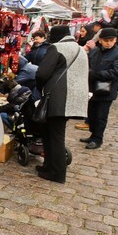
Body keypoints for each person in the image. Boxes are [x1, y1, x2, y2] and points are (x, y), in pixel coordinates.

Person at [34, 25, 88, 183]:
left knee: (55, 135)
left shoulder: (57, 48)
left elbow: (42, 73)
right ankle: (48, 166)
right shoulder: (80, 49)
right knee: (51, 132)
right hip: (75, 97)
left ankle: (57, 173)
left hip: (59, 97)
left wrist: (40, 88)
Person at [82, 27, 118, 149]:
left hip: (106, 88)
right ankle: (93, 134)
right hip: (91, 88)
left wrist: (96, 74)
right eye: (106, 40)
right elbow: (88, 65)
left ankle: (98, 139)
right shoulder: (95, 51)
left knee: (101, 116)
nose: (108, 43)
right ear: (100, 40)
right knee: (91, 115)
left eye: (111, 40)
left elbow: (117, 71)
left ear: (115, 40)